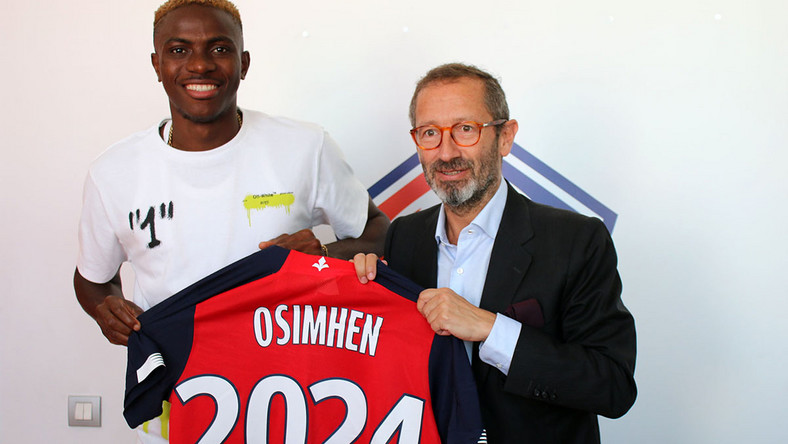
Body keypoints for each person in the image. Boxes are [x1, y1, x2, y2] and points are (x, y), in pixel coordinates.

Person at [74, 0, 387, 441]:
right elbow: (92, 280)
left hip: (290, 391)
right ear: (157, 64)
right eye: (179, 50)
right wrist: (104, 309)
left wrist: (323, 253)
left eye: (219, 49)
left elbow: (380, 232)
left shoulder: (305, 146)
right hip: (176, 393)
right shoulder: (113, 171)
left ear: (243, 63)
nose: (200, 65)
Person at [353, 63, 636, 443]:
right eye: (430, 133)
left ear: (505, 137)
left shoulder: (576, 240)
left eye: (465, 129)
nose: (446, 153)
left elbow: (612, 385)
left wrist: (490, 329)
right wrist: (361, 293)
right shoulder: (404, 236)